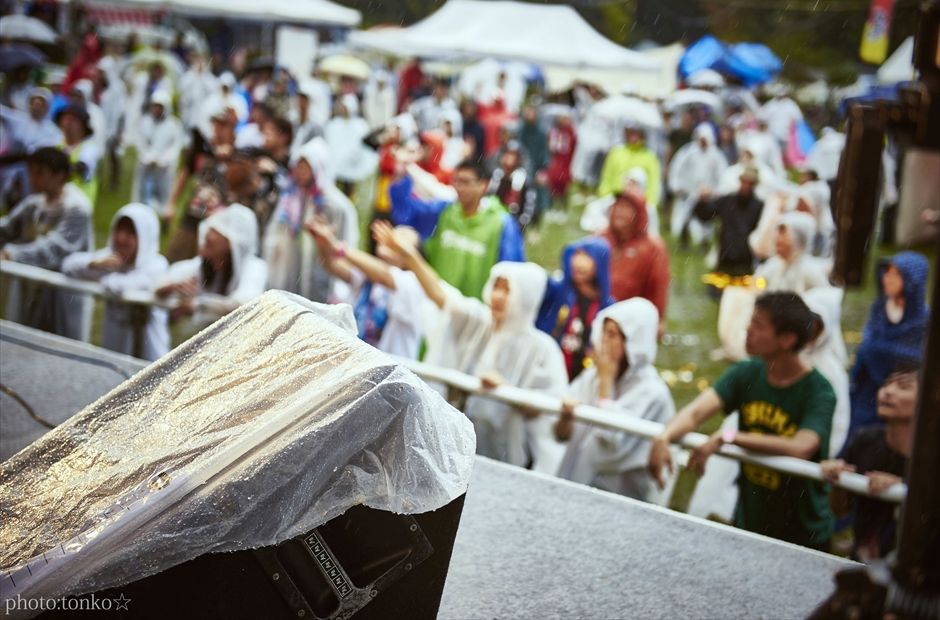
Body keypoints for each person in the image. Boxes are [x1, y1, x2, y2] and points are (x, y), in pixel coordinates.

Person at [649, 292, 836, 551]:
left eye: (758, 324)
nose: (748, 329)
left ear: (787, 339)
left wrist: (728, 437)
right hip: (750, 522)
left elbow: (802, 446)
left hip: (803, 533)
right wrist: (664, 436)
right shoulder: (747, 372)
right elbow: (695, 413)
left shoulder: (819, 391)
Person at [376, 220, 567, 473]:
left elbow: (548, 413)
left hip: (506, 462)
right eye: (496, 287)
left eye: (508, 290)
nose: (498, 296)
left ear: (527, 297)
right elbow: (441, 296)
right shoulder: (479, 322)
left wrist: (508, 392)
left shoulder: (542, 349)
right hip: (459, 450)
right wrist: (411, 257)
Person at [555, 298, 675, 501]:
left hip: (619, 498)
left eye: (612, 335)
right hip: (575, 488)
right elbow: (560, 435)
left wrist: (606, 386)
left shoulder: (653, 393)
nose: (603, 341)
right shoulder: (592, 377)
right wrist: (565, 418)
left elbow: (611, 446)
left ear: (634, 341)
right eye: (603, 332)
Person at [821, 362, 917, 562]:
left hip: (913, 571)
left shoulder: (930, 459)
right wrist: (838, 479)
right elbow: (840, 510)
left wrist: (902, 490)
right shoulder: (865, 440)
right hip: (863, 566)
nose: (888, 391)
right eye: (887, 384)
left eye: (903, 386)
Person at [389, 158, 524, 300]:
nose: (459, 187)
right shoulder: (444, 211)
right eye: (457, 181)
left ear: (483, 185)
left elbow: (512, 271)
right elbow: (407, 215)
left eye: (465, 182)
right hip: (436, 303)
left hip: (476, 309)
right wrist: (400, 178)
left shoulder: (502, 224)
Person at [0, 147, 93, 340]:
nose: (33, 178)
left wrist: (11, 254)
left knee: (58, 342)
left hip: (62, 291)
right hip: (33, 287)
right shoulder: (34, 203)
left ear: (59, 175)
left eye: (40, 173)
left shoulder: (77, 208)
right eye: (31, 172)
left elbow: (55, 248)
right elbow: (8, 228)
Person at [62, 203, 170, 361]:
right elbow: (68, 265)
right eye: (118, 230)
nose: (121, 238)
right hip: (114, 353)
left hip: (149, 356)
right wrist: (94, 264)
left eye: (130, 233)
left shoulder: (157, 265)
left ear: (145, 236)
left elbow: (118, 286)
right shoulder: (108, 259)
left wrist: (104, 275)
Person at [309, 219, 428, 359]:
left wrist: (337, 246)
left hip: (391, 369)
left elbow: (384, 275)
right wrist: (322, 242)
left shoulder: (413, 284)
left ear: (413, 259)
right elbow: (332, 265)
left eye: (401, 240)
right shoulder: (370, 276)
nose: (392, 238)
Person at [262, 138, 358, 302]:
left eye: (305, 166)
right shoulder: (291, 200)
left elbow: (345, 243)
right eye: (298, 166)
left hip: (323, 275)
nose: (300, 171)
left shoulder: (336, 206)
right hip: (294, 271)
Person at [848, 252, 929, 440]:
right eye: (887, 273)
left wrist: (878, 352)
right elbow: (867, 346)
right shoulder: (880, 308)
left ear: (912, 281)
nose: (887, 279)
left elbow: (915, 359)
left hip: (900, 398)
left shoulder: (923, 320)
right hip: (867, 394)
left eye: (896, 274)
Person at [157, 204, 267, 323]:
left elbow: (244, 302)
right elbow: (164, 280)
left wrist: (197, 305)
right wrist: (171, 287)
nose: (208, 232)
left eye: (217, 230)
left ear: (231, 241)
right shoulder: (206, 263)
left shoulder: (254, 267)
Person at [164, 105, 236, 261]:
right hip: (194, 213)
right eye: (216, 123)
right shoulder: (200, 150)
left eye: (224, 125)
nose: (219, 129)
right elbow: (184, 176)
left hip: (218, 219)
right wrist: (171, 204)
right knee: (177, 256)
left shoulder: (237, 156)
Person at [600, 190, 669, 336]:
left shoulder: (652, 248)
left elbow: (658, 286)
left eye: (627, 207)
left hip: (632, 321)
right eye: (617, 205)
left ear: (639, 214)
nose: (620, 211)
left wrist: (658, 318)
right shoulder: (601, 239)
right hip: (599, 316)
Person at [555, 237, 614, 380]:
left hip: (585, 378)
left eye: (587, 256)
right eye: (576, 254)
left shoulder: (608, 308)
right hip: (553, 371)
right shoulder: (558, 293)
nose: (578, 262)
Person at [694, 166, 764, 280]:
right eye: (744, 182)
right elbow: (705, 215)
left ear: (754, 185)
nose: (745, 186)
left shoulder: (759, 207)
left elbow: (762, 236)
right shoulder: (727, 201)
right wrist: (702, 201)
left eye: (749, 183)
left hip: (745, 262)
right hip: (725, 259)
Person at [667, 123, 727, 245]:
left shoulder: (716, 155)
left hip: (707, 197)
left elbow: (723, 177)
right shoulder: (687, 152)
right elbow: (676, 170)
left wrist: (713, 192)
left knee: (702, 230)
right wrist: (677, 187)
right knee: (679, 223)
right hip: (687, 194)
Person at [133, 90, 184, 218]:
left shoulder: (174, 126)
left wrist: (162, 160)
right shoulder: (145, 122)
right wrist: (148, 157)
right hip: (146, 164)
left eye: (160, 107)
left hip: (164, 168)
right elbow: (140, 142)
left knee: (163, 196)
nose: (157, 109)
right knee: (141, 194)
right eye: (155, 106)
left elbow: (175, 147)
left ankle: (162, 216)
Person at [753, 211, 829, 294]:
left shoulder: (811, 270)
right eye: (778, 233)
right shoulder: (773, 265)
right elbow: (757, 287)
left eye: (784, 233)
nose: (778, 239)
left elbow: (825, 296)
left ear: (798, 238)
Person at [597, 124, 662, 212]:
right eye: (631, 132)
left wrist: (650, 204)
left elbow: (653, 183)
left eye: (637, 133)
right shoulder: (616, 152)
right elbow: (607, 176)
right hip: (614, 199)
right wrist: (604, 196)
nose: (633, 136)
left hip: (638, 203)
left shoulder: (650, 157)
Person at [56, 104, 101, 207]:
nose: (68, 122)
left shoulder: (89, 147)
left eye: (73, 120)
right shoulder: (56, 145)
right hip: (58, 204)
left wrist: (57, 173)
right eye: (65, 118)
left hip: (80, 205)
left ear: (83, 126)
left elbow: (82, 166)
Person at [488, 141, 537, 231]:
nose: (508, 159)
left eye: (512, 155)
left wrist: (521, 223)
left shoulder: (523, 180)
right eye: (507, 154)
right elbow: (489, 197)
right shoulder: (496, 176)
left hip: (515, 222)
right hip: (494, 220)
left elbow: (529, 206)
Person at [546, 111, 577, 206]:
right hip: (555, 166)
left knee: (564, 188)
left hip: (566, 165)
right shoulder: (553, 132)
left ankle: (561, 206)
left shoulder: (571, 132)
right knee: (553, 189)